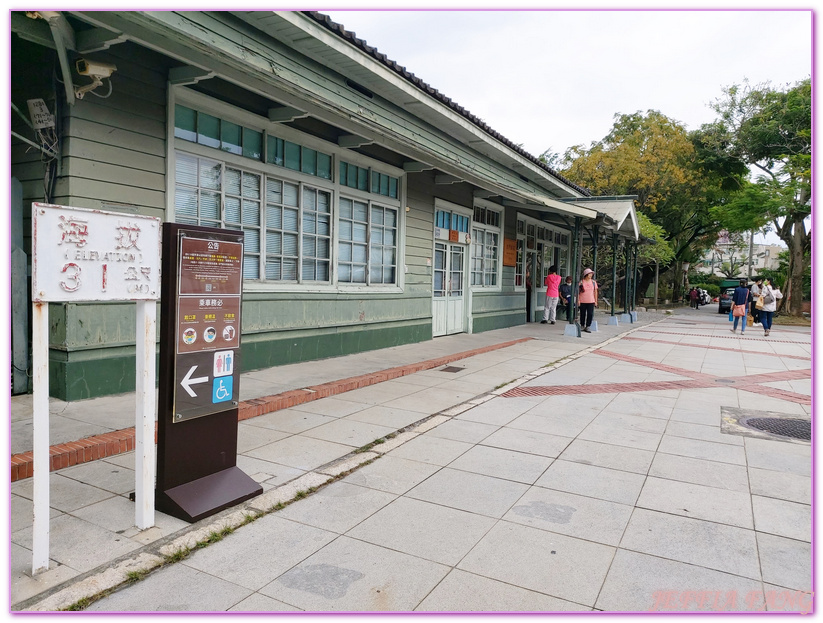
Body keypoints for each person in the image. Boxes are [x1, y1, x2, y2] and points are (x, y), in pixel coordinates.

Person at [578, 268, 598, 333]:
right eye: (589, 274)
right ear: (586, 274)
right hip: (582, 300)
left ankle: (588, 326)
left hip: (591, 301)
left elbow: (595, 292)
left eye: (591, 274)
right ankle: (582, 325)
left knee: (590, 313)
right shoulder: (581, 282)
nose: (591, 275)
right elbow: (578, 292)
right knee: (582, 313)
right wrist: (578, 300)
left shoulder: (593, 282)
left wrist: (595, 300)